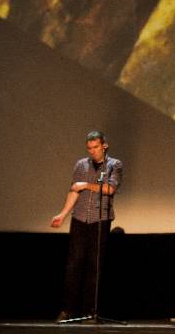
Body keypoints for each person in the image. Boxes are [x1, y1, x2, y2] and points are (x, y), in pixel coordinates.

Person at [51, 130, 123, 321]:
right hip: (80, 219)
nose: (92, 151)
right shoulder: (81, 165)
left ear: (104, 146)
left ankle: (90, 311)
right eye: (89, 148)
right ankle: (67, 310)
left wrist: (85, 185)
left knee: (94, 266)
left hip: (100, 220)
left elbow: (110, 189)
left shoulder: (114, 165)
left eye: (96, 147)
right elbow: (74, 190)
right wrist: (62, 214)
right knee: (74, 265)